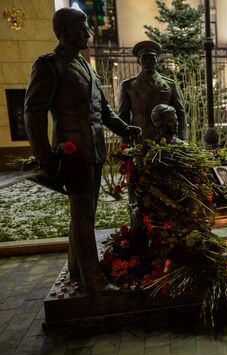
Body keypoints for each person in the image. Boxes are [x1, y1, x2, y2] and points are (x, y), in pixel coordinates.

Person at [24, 8, 141, 293]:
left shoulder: (85, 66)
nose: (88, 33)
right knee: (83, 214)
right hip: (72, 152)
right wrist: (45, 158)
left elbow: (105, 112)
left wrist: (127, 130)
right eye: (82, 28)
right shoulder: (50, 65)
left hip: (94, 150)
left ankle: (76, 268)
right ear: (64, 33)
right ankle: (93, 280)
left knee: (85, 212)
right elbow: (33, 113)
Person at [118, 40, 187, 143]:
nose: (148, 62)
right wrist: (124, 142)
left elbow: (180, 113)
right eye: (144, 59)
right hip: (140, 140)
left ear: (156, 60)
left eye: (151, 58)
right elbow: (123, 116)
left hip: (165, 140)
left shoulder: (169, 84)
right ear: (139, 61)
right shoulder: (128, 86)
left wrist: (183, 138)